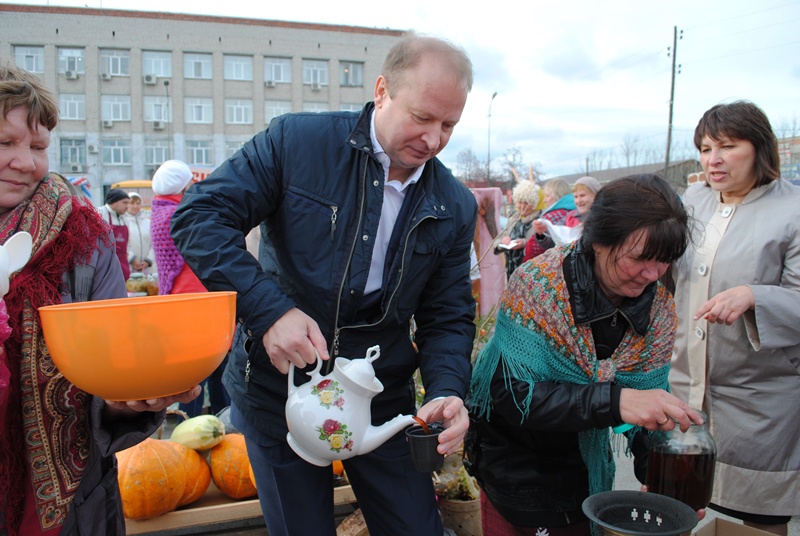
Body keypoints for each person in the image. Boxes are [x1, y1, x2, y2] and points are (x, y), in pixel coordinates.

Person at [170, 34, 477, 536]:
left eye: (449, 125)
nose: (434, 139)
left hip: (381, 395)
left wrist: (446, 390)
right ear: (382, 90)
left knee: (416, 528)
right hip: (278, 389)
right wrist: (267, 309)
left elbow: (447, 315)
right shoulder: (297, 143)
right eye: (422, 117)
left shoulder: (454, 203)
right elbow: (201, 216)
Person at [0, 64, 199, 535]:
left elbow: (109, 375)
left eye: (38, 147)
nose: (25, 161)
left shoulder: (83, 241)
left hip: (64, 503)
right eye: (5, 143)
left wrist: (131, 399)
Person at [467, 174, 703, 536]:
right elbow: (515, 396)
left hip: (585, 477)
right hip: (518, 471)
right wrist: (616, 402)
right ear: (599, 242)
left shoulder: (658, 309)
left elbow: (644, 406)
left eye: (664, 261)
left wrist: (659, 472)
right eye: (640, 259)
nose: (652, 274)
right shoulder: (539, 286)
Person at [669, 101, 800, 535]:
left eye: (728, 146)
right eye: (705, 149)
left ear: (760, 148)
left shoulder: (793, 210)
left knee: (760, 516)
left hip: (759, 395)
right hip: (689, 383)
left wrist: (754, 296)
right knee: (679, 502)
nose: (714, 160)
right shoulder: (694, 200)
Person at [150, 159, 213, 417]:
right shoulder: (180, 214)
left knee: (194, 370)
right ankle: (197, 423)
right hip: (197, 302)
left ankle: (194, 423)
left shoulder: (160, 210)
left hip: (181, 301)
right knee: (202, 370)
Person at [495, 180, 545, 281]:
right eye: (519, 202)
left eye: (526, 202)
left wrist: (525, 243)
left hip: (533, 276)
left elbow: (546, 247)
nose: (522, 206)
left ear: (535, 203)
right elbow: (496, 244)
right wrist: (503, 242)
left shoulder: (542, 221)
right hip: (512, 274)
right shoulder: (514, 218)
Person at [524, 178, 575, 261]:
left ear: (558, 196)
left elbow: (537, 247)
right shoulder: (575, 211)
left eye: (547, 196)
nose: (544, 200)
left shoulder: (551, 217)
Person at [97, 188, 131, 281]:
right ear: (113, 202)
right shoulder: (99, 214)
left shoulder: (124, 219)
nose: (127, 206)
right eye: (124, 203)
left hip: (122, 263)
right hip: (105, 264)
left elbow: (129, 245)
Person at [122, 192, 155, 275]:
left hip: (148, 270)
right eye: (132, 203)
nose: (135, 206)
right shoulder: (122, 222)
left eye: (138, 203)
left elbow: (154, 244)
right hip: (129, 268)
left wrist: (148, 260)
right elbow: (121, 244)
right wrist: (132, 258)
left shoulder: (148, 223)